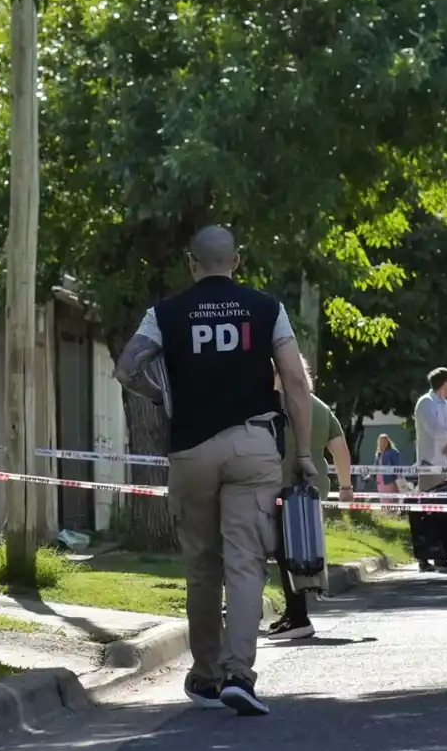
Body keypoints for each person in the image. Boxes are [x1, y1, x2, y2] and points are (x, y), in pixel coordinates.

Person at [114, 224, 313, 718]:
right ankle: (239, 675)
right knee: (246, 562)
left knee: (202, 566)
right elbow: (293, 378)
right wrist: (304, 451)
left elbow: (127, 367)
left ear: (191, 263)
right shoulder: (267, 308)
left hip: (192, 449)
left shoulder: (165, 313)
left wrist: (165, 396)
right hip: (252, 445)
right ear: (237, 261)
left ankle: (205, 675)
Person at [268, 359, 350, 640]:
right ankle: (293, 613)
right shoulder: (318, 406)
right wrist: (346, 486)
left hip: (282, 490)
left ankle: (299, 617)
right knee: (299, 549)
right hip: (313, 491)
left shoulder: (275, 405)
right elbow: (339, 447)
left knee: (284, 552)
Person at [412, 367, 447, 573]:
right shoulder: (426, 403)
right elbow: (436, 431)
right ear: (444, 383)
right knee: (428, 512)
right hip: (431, 464)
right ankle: (425, 557)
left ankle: (442, 554)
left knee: (444, 512)